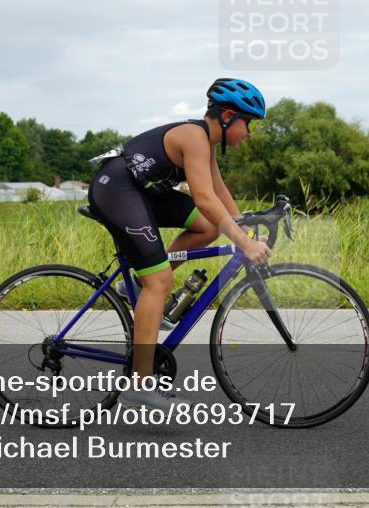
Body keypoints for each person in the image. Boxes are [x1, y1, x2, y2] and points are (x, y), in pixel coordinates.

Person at [87, 78, 272, 411]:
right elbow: (202, 197)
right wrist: (244, 243)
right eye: (249, 124)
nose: (249, 133)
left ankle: (146, 291)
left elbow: (218, 194)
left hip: (138, 191)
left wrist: (245, 228)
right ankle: (139, 384)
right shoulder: (194, 137)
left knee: (207, 228)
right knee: (160, 281)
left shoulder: (205, 143)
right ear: (229, 116)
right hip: (116, 188)